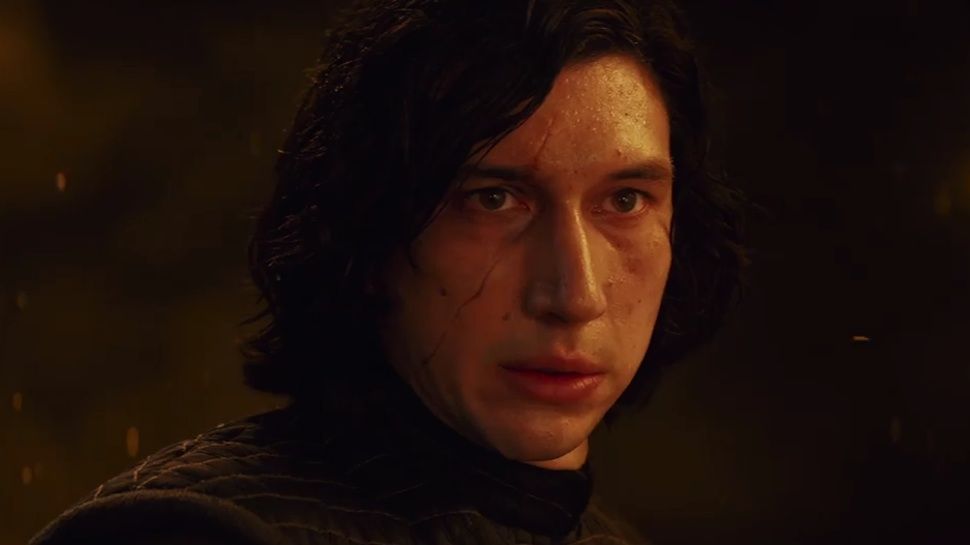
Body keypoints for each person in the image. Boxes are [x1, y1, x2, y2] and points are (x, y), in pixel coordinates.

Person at [31, 0, 745, 543]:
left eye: (625, 200)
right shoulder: (192, 533)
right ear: (369, 230)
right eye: (493, 199)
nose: (575, 294)